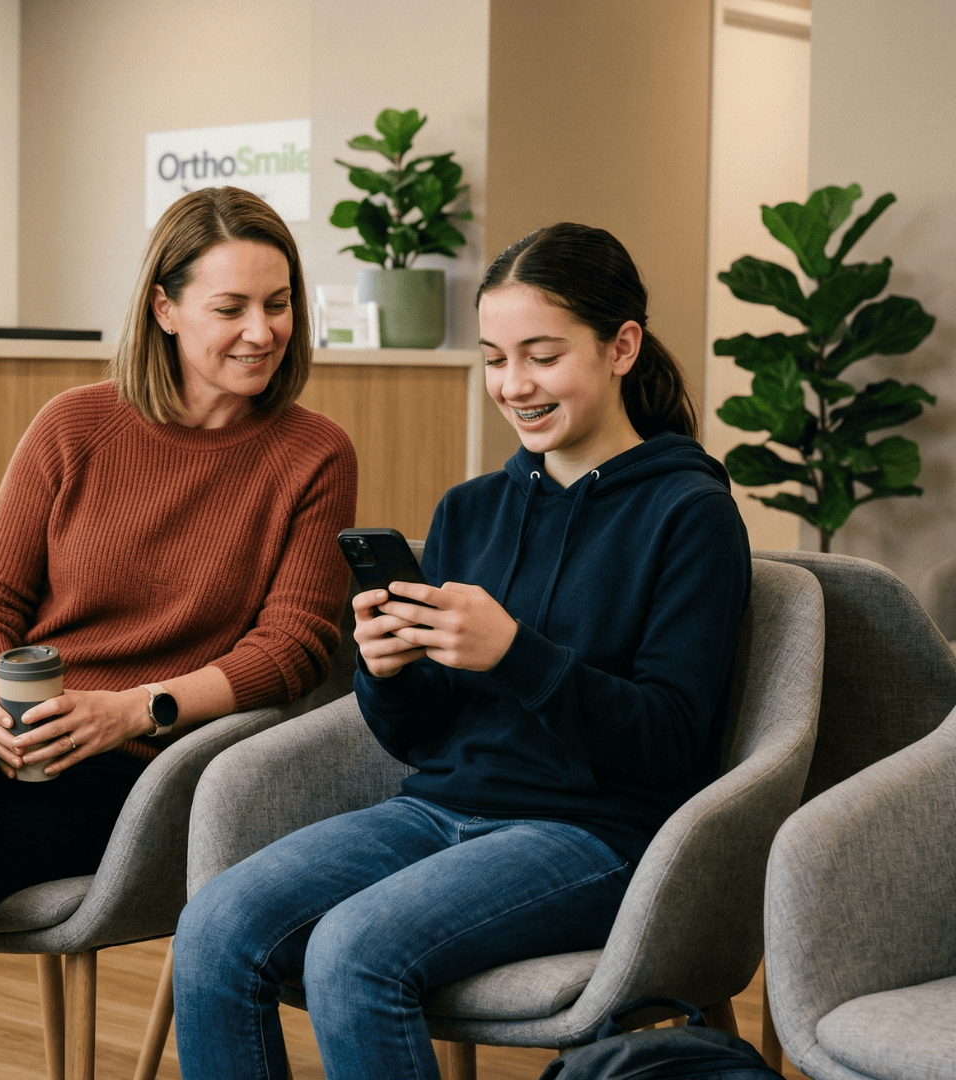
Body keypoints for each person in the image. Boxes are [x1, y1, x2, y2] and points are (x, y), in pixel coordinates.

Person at [171, 223, 754, 1080]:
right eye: (493, 359)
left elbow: (669, 742)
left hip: (595, 835)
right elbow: (417, 738)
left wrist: (515, 653)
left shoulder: (689, 514)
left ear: (621, 346)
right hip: (438, 809)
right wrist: (385, 668)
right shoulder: (471, 510)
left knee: (353, 954)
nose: (513, 386)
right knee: (215, 926)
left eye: (542, 356)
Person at [0, 186, 358, 1080]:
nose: (261, 331)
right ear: (165, 307)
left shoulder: (314, 454)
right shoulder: (75, 424)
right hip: (12, 737)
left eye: (277, 304)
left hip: (150, 770)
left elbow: (294, 650)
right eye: (230, 308)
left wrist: (134, 710)